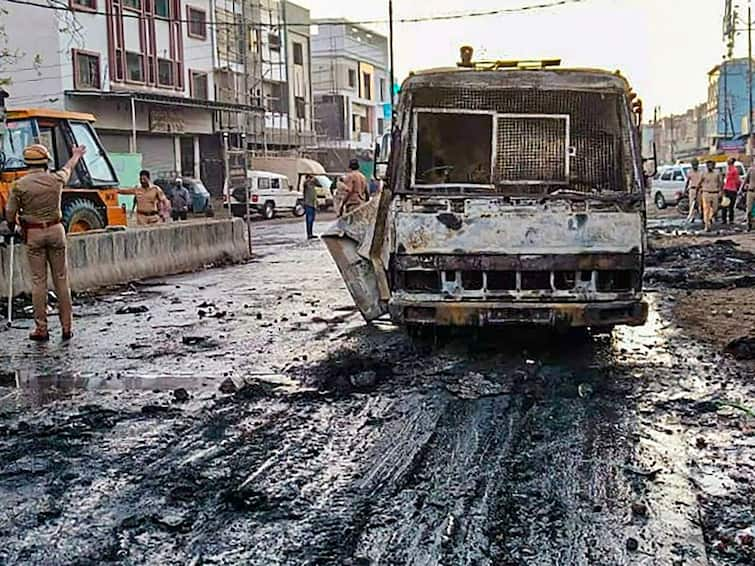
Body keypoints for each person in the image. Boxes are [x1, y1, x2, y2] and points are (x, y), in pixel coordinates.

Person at [4, 143, 86, 341]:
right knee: (61, 279)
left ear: (27, 163)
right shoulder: (56, 179)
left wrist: (12, 225)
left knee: (39, 282)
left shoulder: (20, 186)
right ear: (45, 162)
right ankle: (67, 327)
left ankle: (41, 328)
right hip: (56, 231)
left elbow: (9, 213)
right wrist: (76, 155)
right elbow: (68, 168)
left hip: (33, 234)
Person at [700, 160, 723, 232]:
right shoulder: (703, 173)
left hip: (715, 193)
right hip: (706, 193)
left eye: (711, 165)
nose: (709, 166)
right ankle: (707, 226)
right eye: (708, 165)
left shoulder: (717, 173)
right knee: (706, 210)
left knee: (715, 209)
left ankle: (710, 217)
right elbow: (699, 183)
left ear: (714, 166)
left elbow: (720, 184)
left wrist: (721, 192)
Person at [720, 157, 740, 225]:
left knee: (730, 206)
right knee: (724, 205)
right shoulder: (727, 169)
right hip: (727, 189)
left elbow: (737, 181)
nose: (727, 161)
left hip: (732, 190)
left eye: (729, 160)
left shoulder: (734, 170)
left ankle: (730, 220)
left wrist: (737, 188)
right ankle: (724, 220)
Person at [685, 158, 703, 224]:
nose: (695, 166)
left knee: (700, 204)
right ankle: (692, 217)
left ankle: (702, 216)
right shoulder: (690, 172)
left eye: (696, 164)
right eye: (693, 164)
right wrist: (685, 189)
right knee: (691, 204)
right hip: (692, 189)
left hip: (699, 190)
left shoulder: (701, 172)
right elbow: (687, 181)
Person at [303, 174, 318, 239]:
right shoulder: (307, 185)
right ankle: (309, 234)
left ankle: (310, 233)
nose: (312, 180)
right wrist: (309, 179)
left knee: (312, 219)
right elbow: (305, 183)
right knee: (309, 219)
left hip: (313, 204)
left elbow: (318, 182)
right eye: (310, 178)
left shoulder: (313, 186)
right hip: (308, 204)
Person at [743, 166, 755, 232]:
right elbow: (745, 180)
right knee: (749, 209)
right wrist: (742, 189)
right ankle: (749, 225)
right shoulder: (750, 170)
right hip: (751, 191)